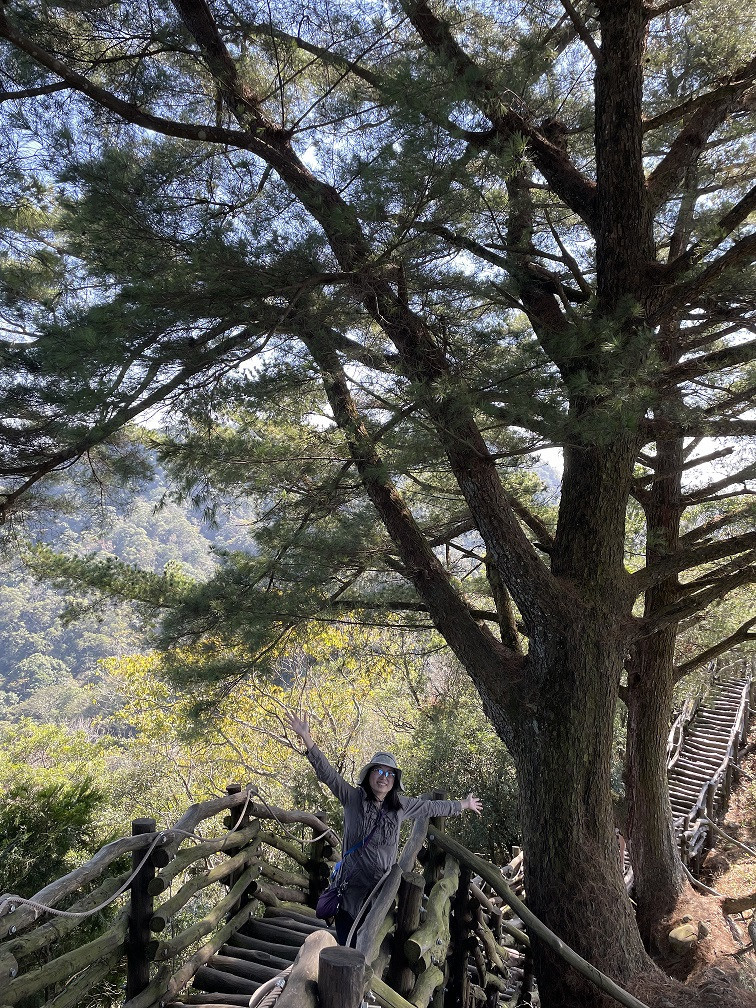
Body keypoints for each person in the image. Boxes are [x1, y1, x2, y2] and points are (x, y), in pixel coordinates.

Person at [287, 711, 483, 946]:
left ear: (395, 780)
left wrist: (463, 804)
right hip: (351, 894)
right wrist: (307, 739)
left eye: (389, 773)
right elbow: (328, 774)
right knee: (346, 950)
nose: (384, 777)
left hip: (380, 896)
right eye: (378, 771)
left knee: (372, 949)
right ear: (369, 775)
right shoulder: (352, 798)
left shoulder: (400, 806)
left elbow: (431, 807)